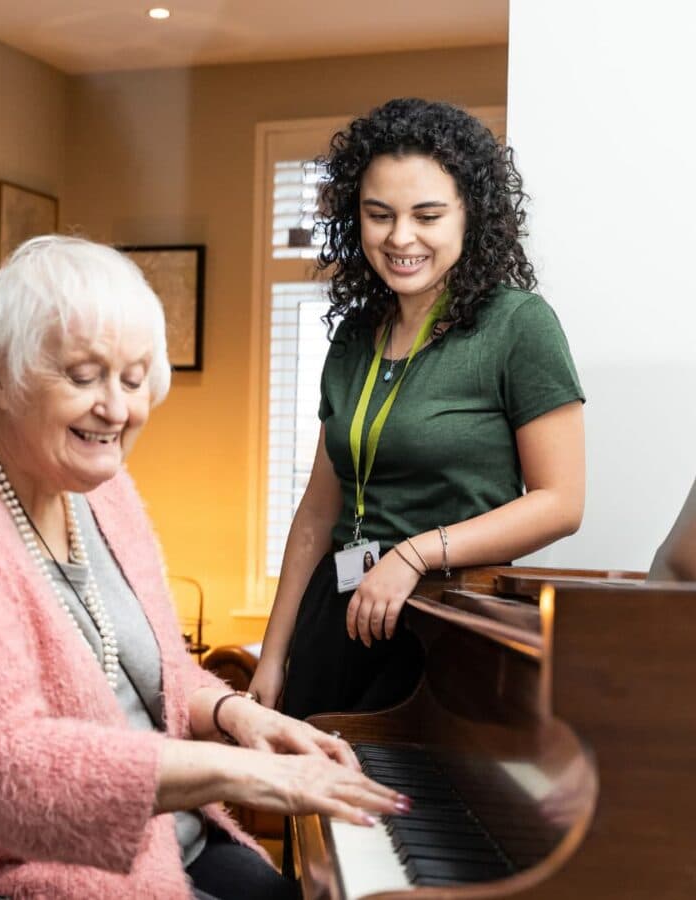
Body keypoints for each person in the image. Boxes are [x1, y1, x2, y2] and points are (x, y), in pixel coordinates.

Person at [0, 236, 408, 900]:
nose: (117, 410)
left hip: (159, 844)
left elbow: (151, 668)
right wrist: (242, 774)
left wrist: (236, 714)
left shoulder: (96, 487)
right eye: (83, 375)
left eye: (133, 378)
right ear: (5, 373)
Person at [249, 98, 586, 721]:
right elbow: (318, 510)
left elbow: (561, 503)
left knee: (411, 813)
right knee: (311, 811)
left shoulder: (518, 325)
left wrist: (415, 553)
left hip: (446, 619)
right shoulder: (356, 333)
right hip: (339, 610)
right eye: (380, 215)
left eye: (427, 215)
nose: (400, 237)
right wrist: (273, 656)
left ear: (470, 215)